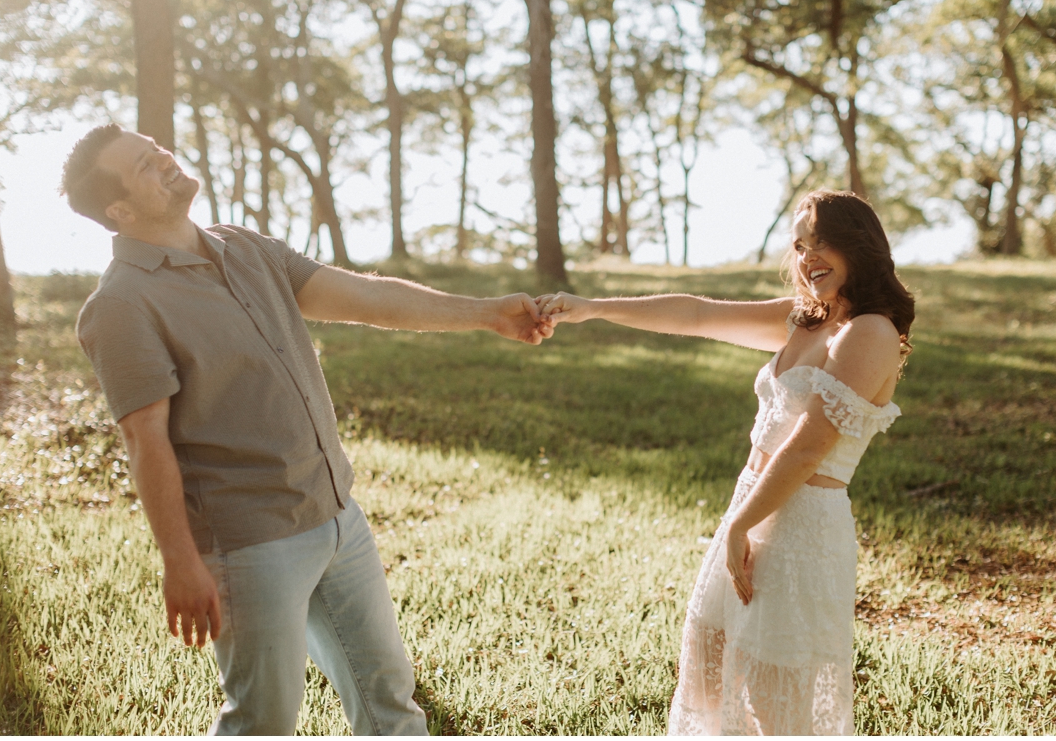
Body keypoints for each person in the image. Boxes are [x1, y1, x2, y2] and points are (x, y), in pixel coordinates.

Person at [61, 124, 554, 735]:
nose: (163, 156)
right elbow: (146, 441)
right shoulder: (122, 303)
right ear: (120, 210)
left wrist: (484, 315)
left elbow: (366, 296)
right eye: (142, 164)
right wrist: (180, 562)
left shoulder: (242, 247)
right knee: (262, 722)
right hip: (250, 546)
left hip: (338, 518)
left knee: (390, 701)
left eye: (155, 146)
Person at [537, 190, 915, 735]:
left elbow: (810, 446)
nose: (808, 258)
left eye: (822, 244)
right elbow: (697, 313)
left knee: (772, 695)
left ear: (860, 246)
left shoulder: (869, 331)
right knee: (709, 668)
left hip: (799, 525)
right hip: (753, 505)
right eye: (800, 246)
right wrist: (593, 308)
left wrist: (742, 522)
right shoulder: (808, 321)